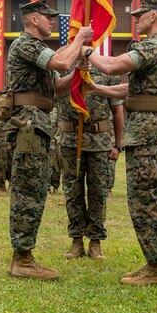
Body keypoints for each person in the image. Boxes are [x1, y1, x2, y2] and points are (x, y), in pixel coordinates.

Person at [83, 0, 157, 287]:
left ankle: (156, 269)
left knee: (145, 201)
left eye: (140, 15)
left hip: (147, 137)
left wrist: (87, 51)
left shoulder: (154, 45)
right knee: (146, 199)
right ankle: (153, 263)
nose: (136, 19)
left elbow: (112, 67)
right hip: (148, 135)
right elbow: (131, 89)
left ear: (154, 17)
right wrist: (96, 88)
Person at [5, 0, 92, 281]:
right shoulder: (25, 45)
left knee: (37, 187)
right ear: (32, 20)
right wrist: (79, 39)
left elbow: (58, 86)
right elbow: (61, 61)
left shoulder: (39, 49)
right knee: (28, 189)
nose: (52, 21)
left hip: (38, 122)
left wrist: (79, 68)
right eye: (47, 17)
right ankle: (22, 258)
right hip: (28, 124)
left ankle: (25, 255)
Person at [58, 65, 123, 261]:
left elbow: (117, 110)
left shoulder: (108, 71)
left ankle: (95, 242)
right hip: (70, 142)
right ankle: (76, 241)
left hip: (99, 142)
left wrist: (117, 145)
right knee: (72, 192)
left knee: (98, 193)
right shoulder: (63, 70)